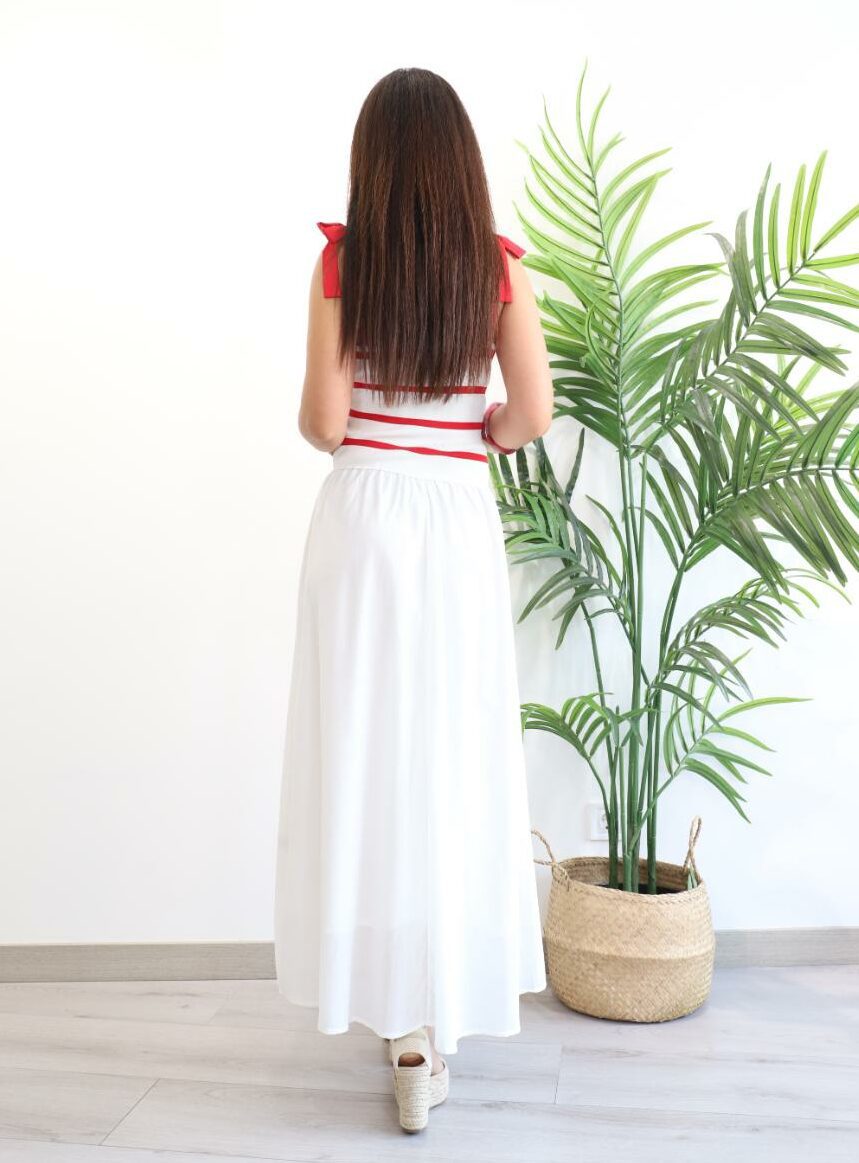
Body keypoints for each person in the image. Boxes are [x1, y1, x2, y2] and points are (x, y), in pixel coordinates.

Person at [273, 66, 554, 1134]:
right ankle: (432, 1022)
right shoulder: (496, 268)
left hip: (363, 519)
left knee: (365, 752)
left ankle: (390, 1015)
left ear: (374, 163)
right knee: (450, 752)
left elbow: (324, 421)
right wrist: (475, 434)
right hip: (453, 517)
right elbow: (531, 412)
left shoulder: (342, 262)